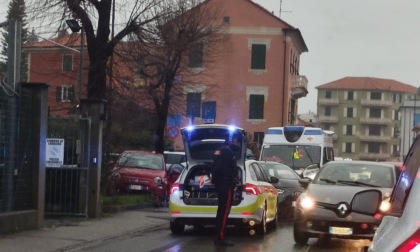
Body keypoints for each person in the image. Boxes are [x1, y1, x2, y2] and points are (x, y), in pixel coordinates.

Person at [211, 135, 239, 246]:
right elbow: (228, 168)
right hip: (226, 184)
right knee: (224, 211)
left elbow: (215, 168)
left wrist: (215, 179)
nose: (236, 142)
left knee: (221, 210)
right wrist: (233, 179)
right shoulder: (228, 151)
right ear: (231, 139)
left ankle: (219, 235)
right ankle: (220, 237)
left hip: (220, 183)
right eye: (235, 140)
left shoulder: (218, 150)